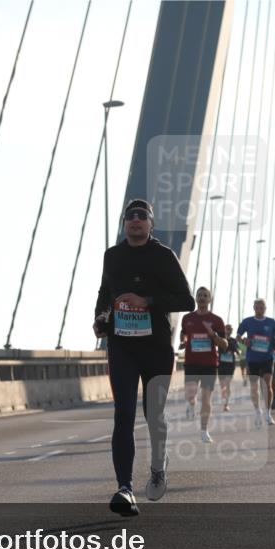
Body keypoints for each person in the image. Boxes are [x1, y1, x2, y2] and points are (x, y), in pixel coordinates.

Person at [94, 199, 195, 516]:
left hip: (156, 348)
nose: (135, 221)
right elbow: (105, 292)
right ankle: (125, 488)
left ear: (151, 224)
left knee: (154, 416)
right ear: (124, 224)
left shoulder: (163, 256)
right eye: (130, 217)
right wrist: (101, 317)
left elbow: (187, 300)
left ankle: (158, 466)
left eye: (142, 217)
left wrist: (146, 300)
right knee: (123, 414)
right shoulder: (113, 256)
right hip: (122, 346)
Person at [180, 287, 227, 443]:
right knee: (190, 394)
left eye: (205, 295)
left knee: (206, 398)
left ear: (209, 299)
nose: (202, 298)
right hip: (191, 362)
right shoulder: (187, 318)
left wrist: (212, 333)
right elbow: (183, 334)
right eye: (199, 295)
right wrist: (183, 340)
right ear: (196, 298)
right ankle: (191, 404)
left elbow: (224, 345)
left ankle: (204, 430)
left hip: (209, 364)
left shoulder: (217, 320)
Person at [237, 299, 275, 426]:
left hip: (267, 358)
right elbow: (238, 336)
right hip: (252, 359)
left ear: (265, 308)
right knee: (254, 387)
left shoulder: (271, 322)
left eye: (261, 308)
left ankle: (268, 414)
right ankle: (258, 412)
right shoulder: (247, 321)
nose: (259, 310)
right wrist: (243, 341)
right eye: (257, 307)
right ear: (253, 308)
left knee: (268, 385)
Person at [217, 323, 239, 411]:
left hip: (230, 365)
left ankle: (226, 404)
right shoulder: (220, 340)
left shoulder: (234, 340)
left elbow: (238, 351)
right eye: (227, 328)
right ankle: (224, 397)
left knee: (227, 383)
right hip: (221, 365)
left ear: (232, 331)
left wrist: (236, 351)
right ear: (224, 330)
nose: (229, 330)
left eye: (230, 329)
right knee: (223, 386)